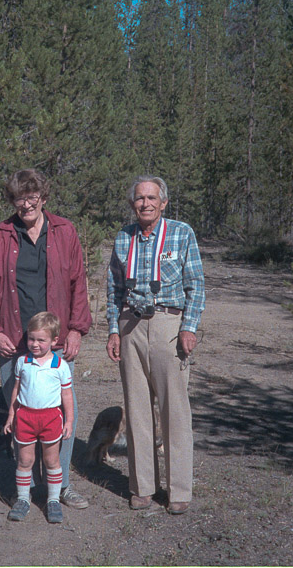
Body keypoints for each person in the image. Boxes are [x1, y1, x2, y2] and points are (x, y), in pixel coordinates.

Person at [0, 169, 92, 510]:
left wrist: (76, 329)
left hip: (55, 341)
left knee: (59, 414)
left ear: (44, 198)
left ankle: (62, 486)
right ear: (12, 200)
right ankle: (25, 488)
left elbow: (78, 281)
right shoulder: (2, 234)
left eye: (33, 198)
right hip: (14, 340)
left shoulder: (64, 230)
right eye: (19, 198)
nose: (26, 204)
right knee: (22, 412)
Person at [105, 176, 205, 516]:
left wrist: (189, 328)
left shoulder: (181, 232)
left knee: (174, 410)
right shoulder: (124, 237)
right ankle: (143, 486)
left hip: (168, 324)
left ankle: (179, 490)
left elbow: (197, 285)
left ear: (163, 202)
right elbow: (113, 289)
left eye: (152, 198)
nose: (145, 203)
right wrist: (113, 330)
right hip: (130, 325)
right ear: (132, 203)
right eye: (139, 198)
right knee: (136, 409)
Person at [3, 311, 74, 524]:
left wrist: (69, 420)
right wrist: (11, 416)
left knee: (51, 460)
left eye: (41, 340)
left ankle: (53, 500)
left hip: (51, 418)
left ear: (54, 340)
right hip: (25, 417)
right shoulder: (22, 362)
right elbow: (16, 389)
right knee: (25, 460)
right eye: (31, 338)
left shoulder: (59, 365)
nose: (35, 344)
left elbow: (67, 395)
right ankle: (23, 499)